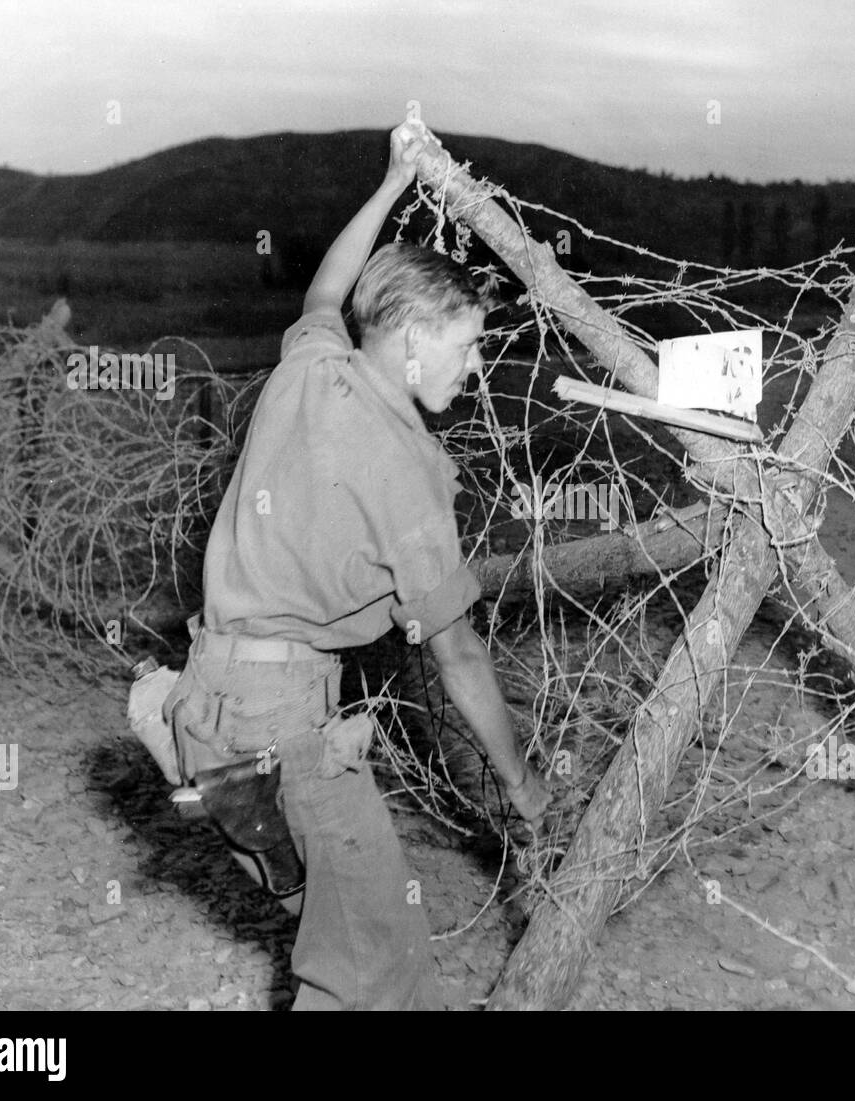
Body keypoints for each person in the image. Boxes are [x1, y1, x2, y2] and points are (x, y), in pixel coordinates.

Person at [163, 120, 550, 1010]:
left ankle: (191, 754)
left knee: (316, 908)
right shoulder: (408, 470)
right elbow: (455, 655)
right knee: (377, 969)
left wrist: (388, 185)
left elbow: (327, 290)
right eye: (466, 344)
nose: (477, 366)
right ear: (412, 339)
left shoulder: (313, 369)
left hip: (209, 699)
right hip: (284, 726)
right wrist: (521, 784)